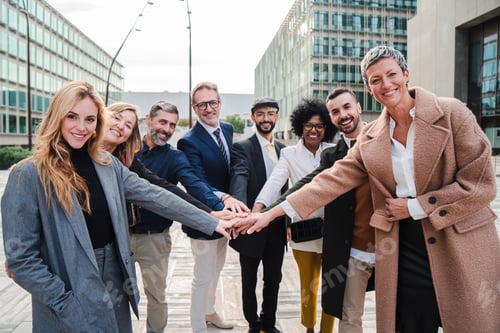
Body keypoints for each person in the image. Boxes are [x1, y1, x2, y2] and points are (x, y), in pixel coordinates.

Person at [236, 46, 500, 333]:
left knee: (471, 321)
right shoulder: (372, 138)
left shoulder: (451, 113)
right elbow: (330, 180)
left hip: (457, 239)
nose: (385, 84)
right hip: (405, 246)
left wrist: (416, 206)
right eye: (375, 80)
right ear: (369, 90)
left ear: (406, 75)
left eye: (391, 75)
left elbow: (481, 185)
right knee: (409, 323)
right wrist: (268, 214)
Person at [1, 81, 235, 333]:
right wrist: (64, 301)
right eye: (72, 116)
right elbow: (22, 259)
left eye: (90, 119)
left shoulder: (107, 164)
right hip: (68, 281)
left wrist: (212, 221)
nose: (82, 127)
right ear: (57, 114)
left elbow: (156, 194)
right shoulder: (28, 174)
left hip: (114, 274)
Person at [266, 88, 374, 333]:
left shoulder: (382, 137)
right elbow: (301, 186)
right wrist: (264, 212)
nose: (342, 114)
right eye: (335, 111)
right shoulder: (330, 155)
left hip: (383, 241)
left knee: (392, 312)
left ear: (358, 108)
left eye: (347, 107)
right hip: (337, 241)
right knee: (345, 309)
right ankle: (310, 328)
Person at [132, 100, 236, 333]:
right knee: (114, 294)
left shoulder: (175, 157)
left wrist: (215, 207)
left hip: (154, 238)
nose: (166, 129)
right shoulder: (128, 149)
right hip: (119, 234)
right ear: (148, 120)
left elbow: (192, 183)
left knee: (156, 296)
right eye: (162, 122)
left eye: (172, 125)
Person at [253, 98, 337, 333]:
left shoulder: (334, 152)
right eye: (309, 125)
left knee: (333, 286)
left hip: (333, 231)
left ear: (327, 128)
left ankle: (326, 331)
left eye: (319, 126)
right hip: (304, 230)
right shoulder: (289, 154)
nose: (313, 130)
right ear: (300, 126)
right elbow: (275, 182)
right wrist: (258, 210)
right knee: (308, 286)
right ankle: (309, 327)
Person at [178, 81, 249, 332]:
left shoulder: (228, 129)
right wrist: (224, 198)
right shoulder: (188, 141)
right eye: (202, 104)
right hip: (204, 217)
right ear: (194, 107)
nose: (209, 109)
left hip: (227, 219)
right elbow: (196, 182)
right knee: (202, 276)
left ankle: (209, 312)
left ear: (220, 103)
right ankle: (198, 325)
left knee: (217, 270)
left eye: (213, 102)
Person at [229, 97, 287, 333]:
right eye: (261, 114)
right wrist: (242, 211)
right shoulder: (242, 147)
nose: (266, 119)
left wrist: (290, 222)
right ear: (253, 117)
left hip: (277, 224)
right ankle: (253, 323)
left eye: (270, 113)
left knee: (274, 279)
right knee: (249, 280)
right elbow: (239, 176)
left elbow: (289, 189)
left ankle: (269, 323)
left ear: (277, 117)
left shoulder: (285, 150)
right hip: (251, 223)